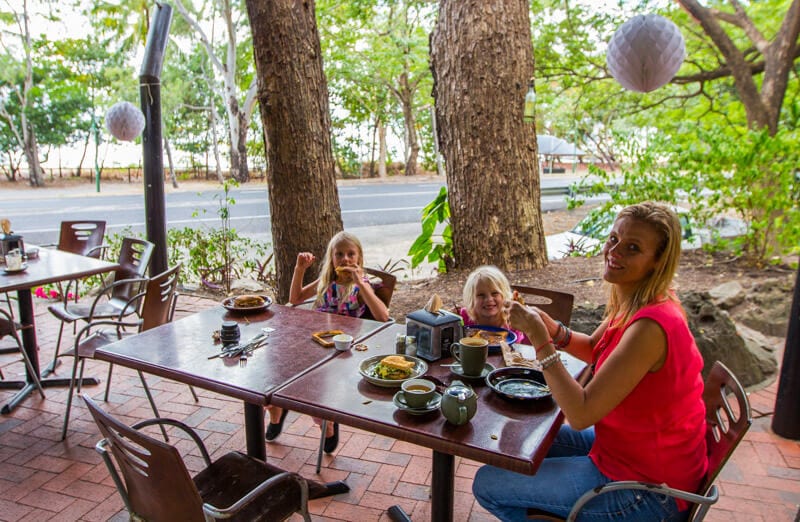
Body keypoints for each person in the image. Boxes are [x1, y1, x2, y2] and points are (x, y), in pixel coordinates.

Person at [473, 202, 707, 521]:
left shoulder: (650, 327)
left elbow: (581, 413)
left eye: (633, 247)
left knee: (488, 483)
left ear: (657, 262)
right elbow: (596, 348)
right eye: (614, 239)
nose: (615, 251)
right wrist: (556, 330)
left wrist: (540, 339)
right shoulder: (637, 301)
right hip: (622, 451)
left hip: (647, 490)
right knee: (523, 441)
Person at [265, 231, 389, 452]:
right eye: (339, 254)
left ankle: (326, 420)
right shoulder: (327, 280)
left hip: (341, 349)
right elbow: (296, 299)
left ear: (359, 257)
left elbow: (383, 316)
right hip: (314, 340)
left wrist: (361, 282)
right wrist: (299, 269)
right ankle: (276, 407)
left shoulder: (361, 285)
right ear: (332, 258)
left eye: (351, 254)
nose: (345, 259)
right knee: (279, 361)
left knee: (315, 380)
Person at [458, 265, 529, 345]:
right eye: (481, 295)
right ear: (471, 299)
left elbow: (517, 349)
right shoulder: (463, 316)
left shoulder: (512, 320)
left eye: (495, 293)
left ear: (504, 296)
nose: (489, 299)